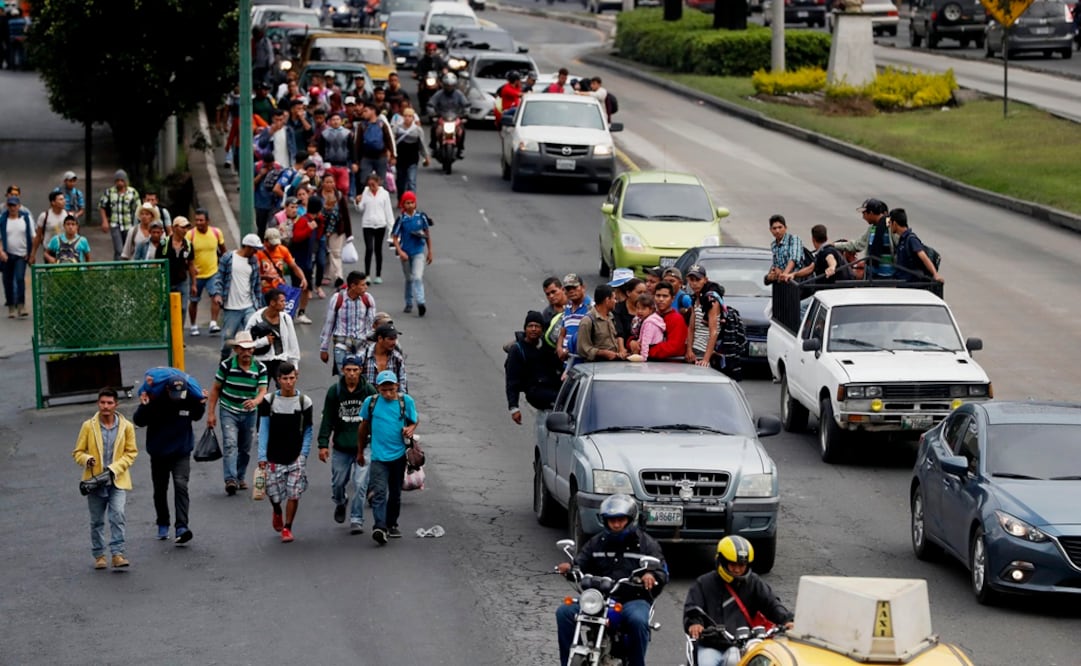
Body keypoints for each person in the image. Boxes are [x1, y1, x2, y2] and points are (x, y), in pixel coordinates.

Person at [556, 494, 668, 666]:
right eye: (611, 520)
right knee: (564, 612)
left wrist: (651, 575)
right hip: (600, 598)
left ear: (630, 519)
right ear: (605, 521)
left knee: (638, 620)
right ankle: (569, 660)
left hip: (632, 598)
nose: (616, 524)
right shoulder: (597, 542)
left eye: (620, 520)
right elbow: (580, 563)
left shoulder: (647, 544)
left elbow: (662, 571)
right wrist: (570, 568)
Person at [683, 536, 794, 666]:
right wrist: (695, 623)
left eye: (741, 565)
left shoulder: (754, 582)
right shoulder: (704, 583)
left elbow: (771, 603)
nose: (737, 569)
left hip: (745, 643)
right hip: (711, 645)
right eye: (733, 564)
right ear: (722, 561)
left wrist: (787, 620)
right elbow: (693, 608)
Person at [133, 374, 205, 544]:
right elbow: (139, 421)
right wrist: (144, 406)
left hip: (181, 451)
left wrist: (201, 404)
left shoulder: (188, 399)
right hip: (159, 452)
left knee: (181, 485)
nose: (177, 398)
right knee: (160, 489)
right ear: (167, 389)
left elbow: (196, 416)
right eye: (174, 393)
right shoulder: (155, 400)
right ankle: (162, 522)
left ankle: (182, 526)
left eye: (180, 393)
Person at [72, 388, 139, 570]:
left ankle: (117, 553)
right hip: (94, 482)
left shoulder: (126, 427)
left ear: (116, 405)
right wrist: (86, 459)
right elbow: (78, 452)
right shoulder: (88, 426)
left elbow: (131, 453)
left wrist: (113, 469)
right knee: (97, 521)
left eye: (109, 403)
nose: (106, 406)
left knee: (118, 515)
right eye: (102, 402)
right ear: (98, 404)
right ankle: (99, 555)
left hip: (117, 481)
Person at [318, 354, 378, 534]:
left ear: (360, 371)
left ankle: (356, 518)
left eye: (355, 370)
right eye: (348, 370)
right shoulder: (334, 392)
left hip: (364, 446)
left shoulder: (369, 391)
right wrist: (322, 444)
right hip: (341, 447)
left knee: (360, 483)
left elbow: (377, 418)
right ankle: (340, 501)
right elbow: (327, 419)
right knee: (337, 482)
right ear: (343, 370)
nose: (351, 374)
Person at [360, 370, 419, 545]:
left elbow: (414, 420)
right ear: (377, 388)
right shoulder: (370, 403)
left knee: (395, 493)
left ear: (397, 387)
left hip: (399, 455)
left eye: (391, 389)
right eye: (383, 390)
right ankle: (380, 527)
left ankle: (392, 523)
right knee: (379, 492)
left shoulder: (405, 401)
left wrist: (411, 429)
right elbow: (363, 426)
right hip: (378, 456)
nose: (387, 393)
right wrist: (359, 450)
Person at [256, 362, 313, 544]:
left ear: (296, 378)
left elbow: (308, 430)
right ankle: (277, 510)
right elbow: (263, 428)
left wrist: (303, 454)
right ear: (278, 380)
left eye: (291, 378)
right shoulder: (269, 401)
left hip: (295, 456)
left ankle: (288, 527)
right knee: (274, 494)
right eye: (285, 379)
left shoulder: (304, 402)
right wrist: (262, 456)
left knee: (293, 493)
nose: (289, 382)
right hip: (274, 455)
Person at [207, 330, 268, 496]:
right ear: (236, 350)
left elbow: (263, 390)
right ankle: (230, 479)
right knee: (230, 443)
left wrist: (255, 401)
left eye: (249, 349)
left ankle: (240, 476)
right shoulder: (226, 366)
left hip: (249, 413)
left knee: (245, 448)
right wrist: (211, 414)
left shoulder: (260, 368)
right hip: (229, 410)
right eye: (242, 349)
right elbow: (215, 390)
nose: (246, 352)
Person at [210, 234, 265, 362]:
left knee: (251, 336)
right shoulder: (228, 258)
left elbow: (256, 285)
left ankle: (250, 363)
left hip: (249, 305)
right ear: (247, 246)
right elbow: (219, 278)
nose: (255, 252)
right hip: (231, 307)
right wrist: (217, 294)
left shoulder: (254, 262)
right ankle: (223, 361)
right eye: (254, 248)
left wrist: (259, 306)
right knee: (228, 339)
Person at [505, 311, 563, 424]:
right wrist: (514, 408)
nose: (533, 329)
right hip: (535, 392)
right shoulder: (517, 350)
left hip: (553, 387)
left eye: (537, 326)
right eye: (530, 326)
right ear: (525, 329)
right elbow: (512, 381)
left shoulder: (547, 346)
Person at [320, 270, 377, 373]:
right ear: (353, 286)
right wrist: (324, 348)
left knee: (359, 378)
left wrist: (372, 347)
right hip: (341, 345)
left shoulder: (368, 299)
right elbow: (329, 323)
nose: (366, 287)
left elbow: (371, 325)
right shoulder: (337, 299)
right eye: (363, 285)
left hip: (361, 347)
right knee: (343, 378)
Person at [391, 191, 433, 316]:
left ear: (415, 204)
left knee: (417, 277)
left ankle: (421, 302)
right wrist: (400, 251)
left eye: (412, 202)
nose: (409, 205)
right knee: (409, 278)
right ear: (403, 205)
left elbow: (427, 234)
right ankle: (408, 302)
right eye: (407, 203)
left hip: (418, 252)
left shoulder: (421, 217)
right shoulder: (402, 219)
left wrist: (430, 251)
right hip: (406, 253)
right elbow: (395, 237)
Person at [247, 287, 301, 384]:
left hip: (281, 361)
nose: (285, 303)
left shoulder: (286, 318)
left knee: (285, 391)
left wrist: (295, 365)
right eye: (282, 301)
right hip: (261, 361)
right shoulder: (255, 318)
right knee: (260, 392)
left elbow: (293, 342)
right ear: (272, 302)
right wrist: (263, 341)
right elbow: (246, 343)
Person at [186, 208, 227, 336]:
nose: (198, 223)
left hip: (213, 271)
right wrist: (191, 269)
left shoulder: (216, 233)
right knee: (194, 300)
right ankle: (193, 325)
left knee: (215, 296)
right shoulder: (190, 235)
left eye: (201, 220)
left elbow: (223, 250)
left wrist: (224, 265)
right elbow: (186, 256)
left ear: (207, 221)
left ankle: (213, 323)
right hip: (196, 274)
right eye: (196, 220)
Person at [256, 227, 310, 323]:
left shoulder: (282, 250)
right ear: (265, 241)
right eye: (272, 244)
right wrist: (265, 277)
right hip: (263, 291)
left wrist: (303, 278)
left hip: (278, 288)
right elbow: (254, 274)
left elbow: (294, 266)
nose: (274, 246)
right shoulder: (259, 253)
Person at [834, 198, 896, 279]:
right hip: (872, 276)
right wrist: (834, 245)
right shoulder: (872, 229)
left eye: (864, 213)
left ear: (870, 213)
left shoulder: (890, 227)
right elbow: (857, 245)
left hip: (889, 277)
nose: (863, 217)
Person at [355, 172, 395, 284]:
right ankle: (367, 274)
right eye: (369, 185)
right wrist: (357, 202)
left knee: (378, 250)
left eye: (373, 185)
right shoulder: (365, 192)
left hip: (380, 225)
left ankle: (378, 274)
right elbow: (360, 209)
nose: (371, 187)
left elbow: (388, 212)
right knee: (369, 249)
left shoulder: (384, 194)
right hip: (368, 225)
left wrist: (391, 228)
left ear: (378, 183)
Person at [316, 172, 353, 288]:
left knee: (335, 253)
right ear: (322, 183)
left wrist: (349, 233)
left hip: (337, 230)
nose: (329, 184)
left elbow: (345, 214)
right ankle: (326, 275)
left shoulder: (339, 196)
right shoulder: (317, 196)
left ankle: (339, 277)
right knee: (324, 253)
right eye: (327, 182)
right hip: (320, 229)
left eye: (331, 182)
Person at [684, 265, 723, 368]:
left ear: (705, 280)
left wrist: (706, 359)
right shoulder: (694, 300)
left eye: (698, 280)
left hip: (706, 351)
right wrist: (689, 350)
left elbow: (714, 332)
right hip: (694, 352)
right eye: (691, 280)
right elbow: (691, 328)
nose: (694, 283)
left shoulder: (711, 302)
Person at [890, 208, 943, 283]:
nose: (889, 225)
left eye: (890, 222)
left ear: (894, 223)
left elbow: (923, 257)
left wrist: (935, 274)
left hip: (911, 285)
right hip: (902, 283)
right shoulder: (902, 240)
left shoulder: (911, 239)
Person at [575, 284, 626, 362]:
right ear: (607, 300)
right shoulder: (587, 321)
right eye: (614, 298)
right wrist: (602, 353)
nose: (616, 302)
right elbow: (582, 348)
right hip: (596, 367)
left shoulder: (611, 317)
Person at [1, 194, 33, 318]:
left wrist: (31, 253)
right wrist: (1, 252)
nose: (12, 208)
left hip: (22, 254)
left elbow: (32, 236)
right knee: (8, 281)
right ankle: (11, 306)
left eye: (15, 205)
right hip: (7, 255)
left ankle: (21, 304)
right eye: (10, 205)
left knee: (20, 278)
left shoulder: (26, 219)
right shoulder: (2, 220)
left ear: (19, 206)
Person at [99, 169, 141, 261]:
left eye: (122, 180)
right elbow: (102, 206)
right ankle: (118, 270)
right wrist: (105, 221)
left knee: (128, 249)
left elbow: (138, 209)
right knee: (119, 249)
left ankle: (126, 269)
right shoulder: (109, 192)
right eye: (117, 180)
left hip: (128, 225)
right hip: (115, 224)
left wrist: (138, 225)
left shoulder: (132, 192)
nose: (120, 183)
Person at [426, 73, 468, 158]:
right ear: (444, 85)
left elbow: (466, 105)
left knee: (462, 131)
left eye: (451, 85)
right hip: (442, 118)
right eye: (447, 85)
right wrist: (433, 114)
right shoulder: (438, 94)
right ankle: (433, 146)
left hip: (455, 118)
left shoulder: (459, 94)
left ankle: (460, 148)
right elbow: (430, 105)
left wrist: (465, 114)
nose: (449, 87)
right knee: (434, 128)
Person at [360, 323, 409, 394]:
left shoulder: (397, 358)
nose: (394, 342)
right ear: (380, 339)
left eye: (395, 339)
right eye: (390, 339)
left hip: (390, 400)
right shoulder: (363, 356)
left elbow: (402, 383)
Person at [647, 281, 690, 361]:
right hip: (650, 364)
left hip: (671, 366)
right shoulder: (649, 316)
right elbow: (637, 334)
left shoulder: (677, 319)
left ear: (672, 298)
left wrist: (647, 350)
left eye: (665, 296)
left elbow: (673, 347)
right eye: (658, 295)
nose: (661, 299)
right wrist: (632, 343)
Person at [555, 273, 592, 364]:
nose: (571, 291)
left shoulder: (590, 307)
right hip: (567, 360)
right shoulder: (567, 307)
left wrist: (569, 349)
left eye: (574, 287)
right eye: (568, 289)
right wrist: (559, 348)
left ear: (583, 287)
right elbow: (563, 332)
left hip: (581, 360)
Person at [393, 107, 430, 196]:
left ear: (413, 118)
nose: (407, 118)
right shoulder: (397, 129)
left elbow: (422, 144)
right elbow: (392, 142)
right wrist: (391, 155)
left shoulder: (417, 130)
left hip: (412, 159)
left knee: (411, 181)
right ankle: (401, 198)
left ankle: (411, 201)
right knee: (401, 181)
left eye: (410, 116)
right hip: (400, 158)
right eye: (405, 116)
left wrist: (426, 156)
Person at [318, 111, 355, 196]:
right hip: (329, 164)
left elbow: (351, 148)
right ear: (330, 121)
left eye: (337, 119)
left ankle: (343, 205)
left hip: (344, 164)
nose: (335, 121)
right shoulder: (324, 133)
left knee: (344, 187)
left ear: (341, 121)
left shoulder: (347, 133)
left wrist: (353, 162)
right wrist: (323, 161)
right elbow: (321, 149)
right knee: (330, 187)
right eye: (333, 120)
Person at [764, 214, 805, 284]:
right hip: (783, 287)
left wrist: (784, 274)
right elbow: (775, 265)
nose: (777, 231)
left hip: (796, 282)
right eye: (774, 228)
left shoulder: (793, 239)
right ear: (770, 230)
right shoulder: (774, 245)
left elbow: (793, 259)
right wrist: (771, 275)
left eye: (780, 227)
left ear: (785, 228)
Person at [31, 190, 67, 262]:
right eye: (60, 199)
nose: (64, 201)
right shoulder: (44, 216)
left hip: (65, 250)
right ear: (53, 202)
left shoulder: (68, 215)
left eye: (64, 199)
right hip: (49, 251)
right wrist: (32, 255)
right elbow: (38, 236)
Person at [628, 293, 666, 360]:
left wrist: (643, 358)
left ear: (651, 309)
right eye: (638, 308)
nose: (639, 311)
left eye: (643, 309)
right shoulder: (651, 319)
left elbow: (646, 342)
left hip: (651, 355)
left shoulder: (649, 323)